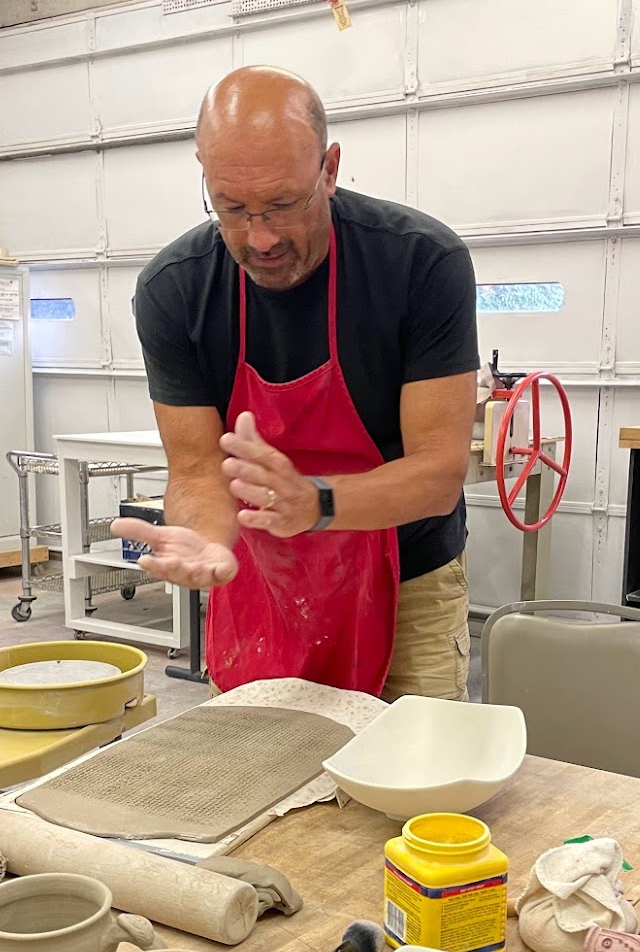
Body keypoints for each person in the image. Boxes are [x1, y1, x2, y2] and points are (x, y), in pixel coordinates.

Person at [112, 65, 479, 700]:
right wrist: (204, 536)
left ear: (330, 169)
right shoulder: (174, 290)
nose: (260, 237)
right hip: (262, 586)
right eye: (232, 208)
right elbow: (197, 470)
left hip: (407, 581)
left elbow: (439, 474)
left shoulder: (420, 263)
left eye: (283, 204)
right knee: (265, 783)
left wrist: (318, 504)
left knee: (411, 780)